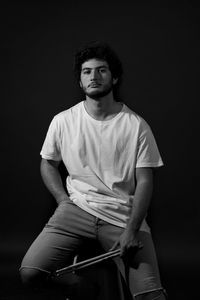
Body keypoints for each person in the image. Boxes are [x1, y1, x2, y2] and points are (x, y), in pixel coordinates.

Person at [20, 41, 167, 299]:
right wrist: (62, 200)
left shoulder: (136, 125)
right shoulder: (63, 120)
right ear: (80, 81)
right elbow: (48, 162)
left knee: (150, 296)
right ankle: (84, 290)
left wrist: (132, 229)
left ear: (115, 77)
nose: (94, 76)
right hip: (76, 209)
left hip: (121, 215)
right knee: (31, 272)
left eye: (101, 70)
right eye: (87, 72)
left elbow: (145, 181)